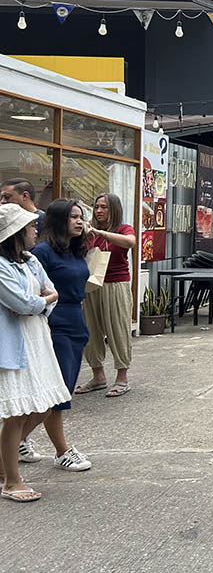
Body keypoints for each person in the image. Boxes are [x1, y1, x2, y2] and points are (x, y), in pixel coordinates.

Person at [0, 203, 70, 502]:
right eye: (30, 226)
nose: (35, 229)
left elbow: (48, 293)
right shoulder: (2, 266)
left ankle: (4, 460)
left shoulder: (30, 260)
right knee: (16, 413)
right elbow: (23, 303)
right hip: (15, 342)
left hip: (38, 338)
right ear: (15, 232)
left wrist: (44, 299)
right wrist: (44, 299)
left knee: (45, 403)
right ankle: (11, 481)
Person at [18, 200, 92, 471]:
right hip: (54, 323)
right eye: (73, 216)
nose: (79, 221)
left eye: (81, 217)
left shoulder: (75, 249)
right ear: (59, 219)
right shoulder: (42, 252)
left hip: (75, 321)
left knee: (61, 391)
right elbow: (32, 291)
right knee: (55, 396)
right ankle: (61, 451)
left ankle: (18, 439)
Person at [77, 193, 136, 398]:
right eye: (96, 207)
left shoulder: (123, 229)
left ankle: (122, 377)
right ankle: (98, 376)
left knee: (117, 329)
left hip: (116, 283)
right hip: (91, 284)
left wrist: (100, 233)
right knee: (90, 330)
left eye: (104, 207)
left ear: (114, 210)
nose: (99, 211)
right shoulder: (87, 232)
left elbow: (130, 242)